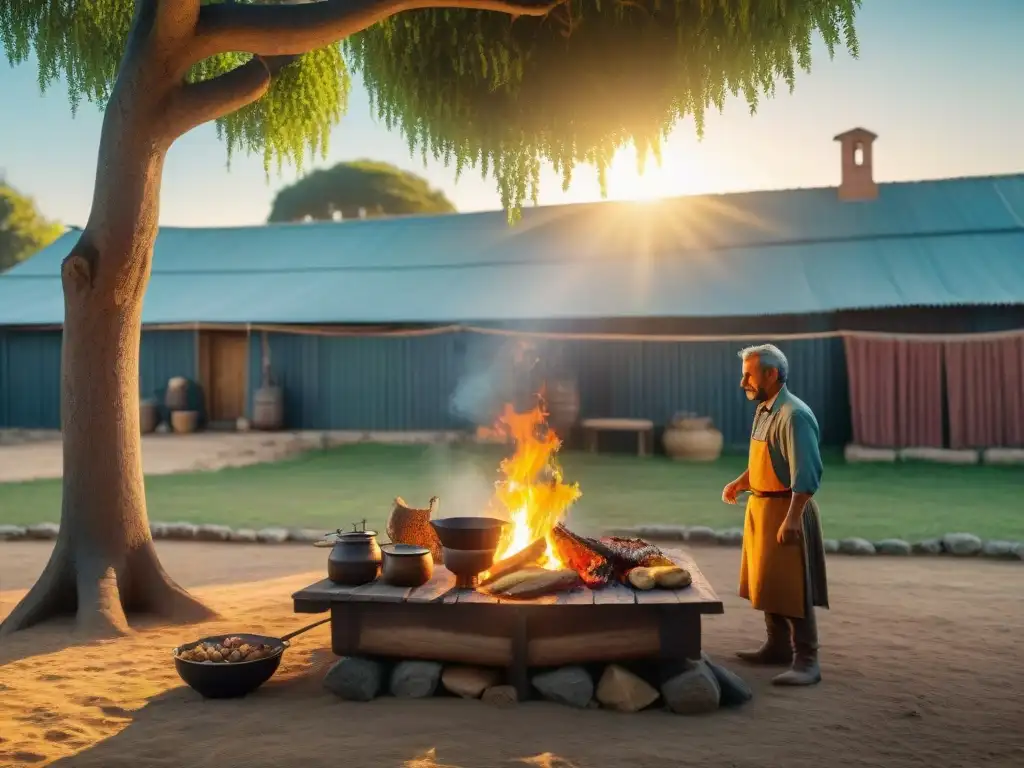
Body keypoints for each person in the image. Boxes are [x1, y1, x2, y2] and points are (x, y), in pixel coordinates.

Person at [722, 343, 829, 686]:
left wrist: (794, 518)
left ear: (771, 373)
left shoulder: (794, 415)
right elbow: (764, 459)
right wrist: (741, 482)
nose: (743, 384)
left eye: (748, 375)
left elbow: (806, 474)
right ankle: (778, 647)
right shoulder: (766, 410)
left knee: (791, 584)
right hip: (761, 506)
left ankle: (807, 660)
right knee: (767, 580)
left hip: (786, 509)